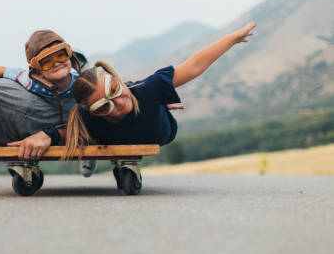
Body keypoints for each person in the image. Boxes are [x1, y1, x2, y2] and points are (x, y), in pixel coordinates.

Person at [63, 22, 257, 159]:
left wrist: (232, 39)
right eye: (105, 106)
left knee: (140, 91)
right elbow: (61, 131)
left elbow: (194, 66)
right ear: (95, 112)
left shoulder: (149, 90)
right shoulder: (86, 117)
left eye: (114, 90)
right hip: (118, 132)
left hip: (160, 129)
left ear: (115, 78)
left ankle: (157, 102)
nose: (119, 102)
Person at [0, 30, 99, 177]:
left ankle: (91, 154)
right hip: (46, 117)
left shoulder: (83, 83)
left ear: (70, 56)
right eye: (46, 61)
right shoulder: (29, 82)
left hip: (77, 117)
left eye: (61, 55)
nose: (57, 63)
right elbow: (3, 71)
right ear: (37, 71)